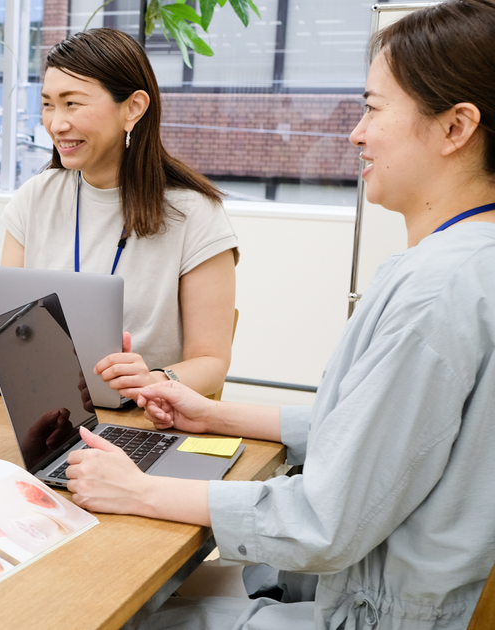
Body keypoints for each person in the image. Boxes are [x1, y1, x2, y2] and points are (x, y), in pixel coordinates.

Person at [66, 2, 495, 627]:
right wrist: (215, 413)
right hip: (365, 587)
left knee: (104, 607)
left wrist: (139, 490)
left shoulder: (436, 292)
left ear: (456, 128)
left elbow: (323, 521)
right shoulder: (465, 265)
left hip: (361, 613)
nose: (355, 132)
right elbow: (376, 433)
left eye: (373, 109)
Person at [0, 28, 237, 399]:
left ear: (133, 108)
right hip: (45, 404)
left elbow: (211, 362)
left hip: (143, 421)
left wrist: (157, 379)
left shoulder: (194, 214)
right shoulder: (36, 196)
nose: (56, 123)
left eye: (72, 103)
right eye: (48, 104)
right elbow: (6, 330)